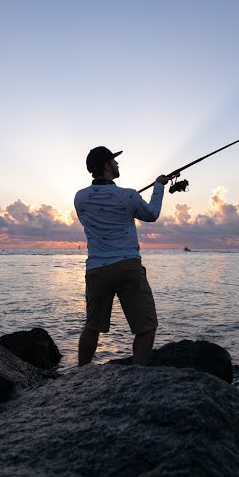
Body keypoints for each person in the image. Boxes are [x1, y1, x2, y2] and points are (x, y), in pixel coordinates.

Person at [74, 146, 172, 366]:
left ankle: (80, 374)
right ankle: (138, 376)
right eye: (114, 161)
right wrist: (159, 186)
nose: (118, 164)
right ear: (107, 165)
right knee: (146, 327)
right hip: (127, 267)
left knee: (92, 325)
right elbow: (152, 214)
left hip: (96, 270)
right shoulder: (127, 195)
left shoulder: (79, 198)